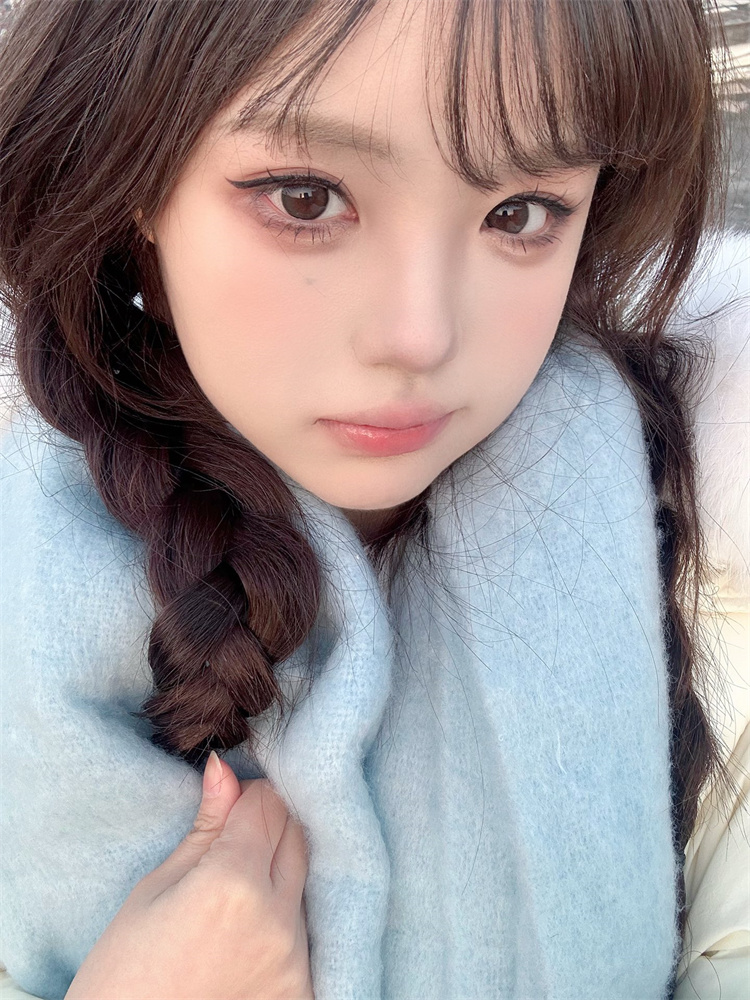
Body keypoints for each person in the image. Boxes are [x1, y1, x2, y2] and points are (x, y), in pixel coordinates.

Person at [0, 0, 747, 997]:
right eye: (306, 199)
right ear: (133, 185)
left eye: (521, 212)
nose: (419, 335)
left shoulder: (713, 566)